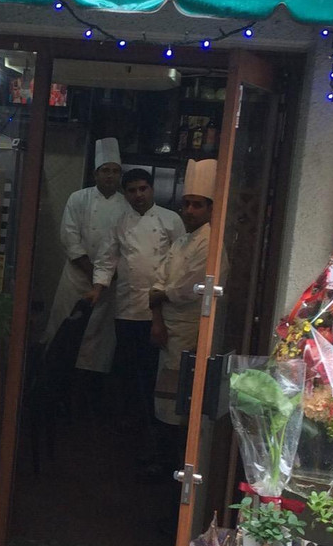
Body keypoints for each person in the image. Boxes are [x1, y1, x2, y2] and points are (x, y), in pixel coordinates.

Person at [86, 168, 184, 438]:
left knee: (154, 368)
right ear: (125, 193)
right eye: (132, 190)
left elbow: (180, 261)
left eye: (143, 189)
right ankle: (131, 421)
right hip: (127, 306)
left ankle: (156, 423)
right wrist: (97, 288)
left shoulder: (171, 219)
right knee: (128, 368)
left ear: (152, 189)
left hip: (160, 309)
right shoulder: (119, 221)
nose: (138, 195)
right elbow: (107, 259)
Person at [148, 158, 219, 477]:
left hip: (190, 332)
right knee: (163, 398)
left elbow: (186, 288)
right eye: (186, 204)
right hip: (167, 328)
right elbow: (159, 280)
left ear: (211, 208)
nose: (190, 210)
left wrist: (161, 294)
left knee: (180, 405)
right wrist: (158, 313)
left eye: (197, 205)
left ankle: (173, 470)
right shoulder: (181, 240)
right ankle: (162, 461)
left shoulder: (211, 244)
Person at [42, 137, 130, 379]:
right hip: (76, 277)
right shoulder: (78, 198)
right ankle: (52, 376)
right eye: (105, 170)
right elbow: (69, 237)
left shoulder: (126, 205)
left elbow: (125, 245)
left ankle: (89, 384)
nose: (110, 176)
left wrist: (104, 279)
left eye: (115, 171)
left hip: (108, 284)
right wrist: (93, 272)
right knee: (62, 328)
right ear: (95, 174)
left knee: (97, 340)